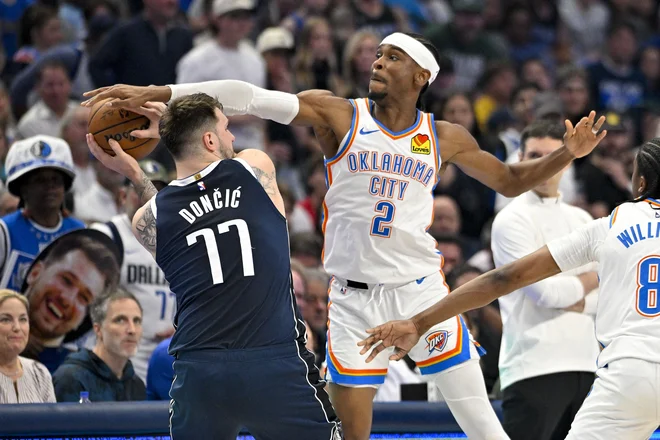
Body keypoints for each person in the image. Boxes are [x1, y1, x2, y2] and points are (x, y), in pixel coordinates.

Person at [82, 31, 606, 440]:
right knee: (349, 435)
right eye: (376, 55)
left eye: (392, 57)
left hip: (421, 290)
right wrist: (163, 94)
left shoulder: (444, 136)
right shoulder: (340, 115)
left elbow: (512, 180)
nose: (377, 62)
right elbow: (250, 97)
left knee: (486, 428)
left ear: (422, 74)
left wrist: (568, 154)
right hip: (353, 302)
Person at [358, 138, 660, 439]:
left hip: (632, 370)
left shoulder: (613, 224)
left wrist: (418, 321)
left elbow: (505, 279)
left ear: (641, 183)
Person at [84, 94, 340, 439]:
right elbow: (220, 162)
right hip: (273, 359)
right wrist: (169, 124)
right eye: (226, 128)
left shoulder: (147, 217)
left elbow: (168, 214)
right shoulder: (254, 167)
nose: (232, 138)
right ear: (209, 139)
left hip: (201, 370)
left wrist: (134, 170)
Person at [489, 120, 600, 440]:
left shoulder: (582, 220)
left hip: (589, 365)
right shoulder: (511, 219)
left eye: (554, 155)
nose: (544, 163)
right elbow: (543, 293)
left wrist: (577, 294)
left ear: (568, 161)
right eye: (535, 154)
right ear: (521, 159)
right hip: (532, 367)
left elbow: (609, 294)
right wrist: (589, 282)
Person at [90, 159, 174, 381]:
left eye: (156, 191)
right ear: (122, 196)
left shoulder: (176, 238)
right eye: (140, 190)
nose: (148, 197)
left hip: (168, 357)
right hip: (121, 360)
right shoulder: (107, 235)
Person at [22, 232, 120, 372]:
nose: (67, 299)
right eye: (66, 280)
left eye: (84, 297)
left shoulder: (76, 374)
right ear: (35, 273)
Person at [0, 135, 84, 292]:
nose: (50, 187)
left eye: (56, 180)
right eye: (40, 180)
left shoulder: (79, 232)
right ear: (23, 189)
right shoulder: (5, 231)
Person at [53, 289, 146, 402]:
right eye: (120, 320)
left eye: (137, 321)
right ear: (98, 329)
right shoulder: (70, 379)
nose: (132, 330)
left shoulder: (137, 385)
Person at [0, 289, 55, 403]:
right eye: (6, 319)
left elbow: (51, 420)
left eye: (23, 319)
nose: (17, 327)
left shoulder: (39, 372)